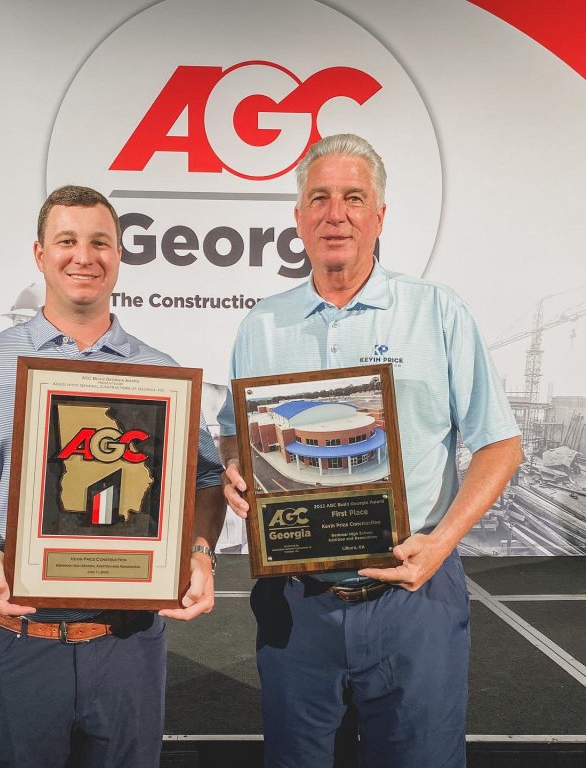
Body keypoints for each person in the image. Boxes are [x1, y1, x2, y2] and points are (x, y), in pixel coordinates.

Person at [218, 134, 522, 768]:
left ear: (379, 215)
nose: (337, 214)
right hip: (298, 601)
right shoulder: (262, 324)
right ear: (298, 216)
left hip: (415, 597)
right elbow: (232, 431)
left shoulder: (436, 311)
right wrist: (236, 468)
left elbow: (500, 443)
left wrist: (441, 544)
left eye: (354, 198)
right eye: (320, 198)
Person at [0, 186, 225, 768]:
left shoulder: (160, 373)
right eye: (67, 241)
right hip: (18, 638)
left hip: (128, 641)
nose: (84, 256)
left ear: (120, 256)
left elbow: (204, 478)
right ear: (39, 253)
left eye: (100, 242)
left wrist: (200, 551)